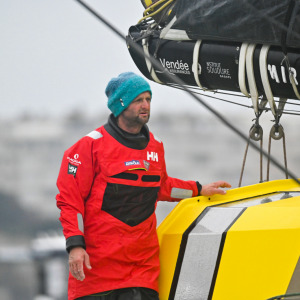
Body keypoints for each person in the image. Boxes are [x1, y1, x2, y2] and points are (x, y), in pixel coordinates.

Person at [56, 72, 231, 300]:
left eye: (148, 99)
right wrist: (75, 246)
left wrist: (199, 189)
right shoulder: (89, 146)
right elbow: (70, 201)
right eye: (138, 100)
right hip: (98, 272)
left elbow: (162, 187)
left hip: (142, 271)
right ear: (121, 105)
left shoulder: (156, 146)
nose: (145, 105)